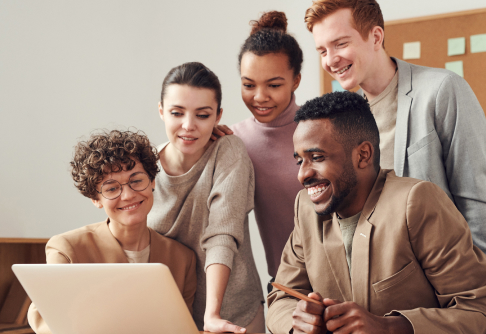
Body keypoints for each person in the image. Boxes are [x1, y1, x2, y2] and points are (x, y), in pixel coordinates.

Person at [304, 0, 486, 327]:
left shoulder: (441, 91)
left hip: (446, 296)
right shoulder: (344, 124)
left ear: (376, 37)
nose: (330, 60)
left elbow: (476, 202)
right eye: (321, 50)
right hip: (384, 307)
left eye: (340, 44)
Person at [267, 92, 486, 334]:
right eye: (299, 161)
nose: (302, 175)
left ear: (363, 155)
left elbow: (481, 315)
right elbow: (280, 297)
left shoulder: (416, 203)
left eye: (316, 158)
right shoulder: (306, 208)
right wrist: (299, 324)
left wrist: (388, 327)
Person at [27, 130, 198, 334]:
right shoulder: (67, 249)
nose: (128, 195)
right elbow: (46, 318)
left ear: (152, 182)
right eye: (111, 189)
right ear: (95, 199)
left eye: (136, 180)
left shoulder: (182, 259)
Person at [147, 62, 264, 333]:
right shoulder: (144, 165)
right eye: (177, 113)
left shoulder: (228, 151)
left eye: (202, 115)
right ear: (162, 111)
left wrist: (212, 315)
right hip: (169, 315)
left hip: (232, 313)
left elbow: (222, 233)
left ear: (217, 116)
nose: (188, 126)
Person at [227, 11, 304, 291]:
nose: (259, 97)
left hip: (346, 279)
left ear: (295, 80)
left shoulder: (322, 128)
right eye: (248, 85)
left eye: (274, 85)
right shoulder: (233, 140)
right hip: (286, 285)